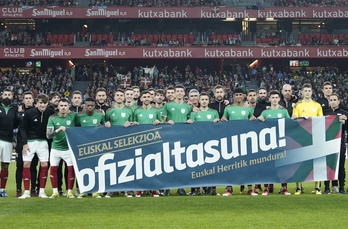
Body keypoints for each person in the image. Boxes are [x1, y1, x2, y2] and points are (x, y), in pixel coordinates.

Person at [18, 94, 55, 199]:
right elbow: (22, 128)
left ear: (47, 103)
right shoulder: (29, 113)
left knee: (44, 164)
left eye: (44, 103)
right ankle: (26, 192)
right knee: (26, 164)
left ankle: (42, 192)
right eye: (40, 103)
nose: (42, 105)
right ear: (36, 103)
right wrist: (25, 143)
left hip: (43, 142)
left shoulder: (51, 113)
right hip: (30, 142)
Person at [221, 87, 256, 196]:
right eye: (236, 95)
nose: (238, 96)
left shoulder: (249, 109)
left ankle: (250, 188)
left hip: (246, 141)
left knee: (248, 165)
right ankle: (229, 189)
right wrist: (223, 120)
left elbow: (253, 120)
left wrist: (253, 119)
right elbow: (223, 120)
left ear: (244, 96)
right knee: (230, 166)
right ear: (233, 96)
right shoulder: (228, 109)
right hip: (232, 141)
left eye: (240, 94)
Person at [291, 83, 323, 195]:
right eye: (305, 91)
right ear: (302, 92)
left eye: (309, 90)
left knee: (316, 162)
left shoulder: (317, 106)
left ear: (312, 92)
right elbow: (294, 119)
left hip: (314, 137)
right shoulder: (298, 106)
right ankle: (299, 187)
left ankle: (317, 187)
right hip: (301, 138)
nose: (307, 92)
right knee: (299, 162)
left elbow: (321, 121)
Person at [257, 90, 291, 195]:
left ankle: (284, 188)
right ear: (270, 99)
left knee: (282, 166)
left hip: (281, 142)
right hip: (268, 144)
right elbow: (258, 126)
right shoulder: (265, 112)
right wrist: (259, 119)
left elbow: (289, 125)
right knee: (268, 166)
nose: (275, 99)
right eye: (273, 97)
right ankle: (266, 188)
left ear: (279, 99)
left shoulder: (284, 111)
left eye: (276, 97)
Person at [162, 85, 192, 196]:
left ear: (184, 93)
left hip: (183, 138)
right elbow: (162, 121)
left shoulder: (188, 107)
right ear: (174, 93)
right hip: (170, 137)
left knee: (182, 164)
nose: (179, 93)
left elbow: (191, 119)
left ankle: (181, 187)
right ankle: (167, 188)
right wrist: (167, 123)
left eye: (181, 91)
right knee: (169, 163)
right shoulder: (168, 106)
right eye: (177, 91)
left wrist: (190, 121)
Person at [188, 92, 220, 195]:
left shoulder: (214, 112)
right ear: (199, 101)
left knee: (212, 167)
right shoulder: (194, 113)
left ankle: (212, 189)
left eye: (206, 99)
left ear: (209, 100)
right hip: (198, 143)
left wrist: (217, 121)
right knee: (198, 167)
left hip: (212, 143)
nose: (204, 101)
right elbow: (191, 126)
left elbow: (219, 127)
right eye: (202, 99)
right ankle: (197, 189)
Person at [133, 90, 162, 197]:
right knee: (139, 166)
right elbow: (132, 124)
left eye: (148, 97)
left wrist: (159, 123)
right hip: (140, 142)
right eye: (144, 97)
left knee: (153, 166)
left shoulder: (156, 111)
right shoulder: (136, 111)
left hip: (154, 142)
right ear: (141, 99)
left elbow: (162, 125)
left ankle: (153, 189)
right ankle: (139, 189)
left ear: (151, 99)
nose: (146, 98)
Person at [76, 97, 106, 198]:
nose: (89, 107)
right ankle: (83, 190)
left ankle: (96, 190)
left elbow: (105, 126)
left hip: (97, 146)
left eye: (92, 106)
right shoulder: (79, 116)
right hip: (83, 146)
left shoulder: (100, 115)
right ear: (84, 106)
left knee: (97, 168)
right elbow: (74, 129)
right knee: (83, 168)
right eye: (87, 105)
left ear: (95, 106)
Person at [46, 98, 77, 198]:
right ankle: (55, 192)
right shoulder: (52, 118)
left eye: (65, 106)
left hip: (68, 149)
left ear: (68, 107)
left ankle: (69, 192)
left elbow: (85, 116)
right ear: (58, 107)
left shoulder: (73, 116)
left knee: (70, 170)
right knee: (53, 169)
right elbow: (48, 135)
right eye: (61, 106)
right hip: (55, 149)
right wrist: (58, 130)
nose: (63, 108)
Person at [105, 89, 133, 197]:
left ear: (124, 97)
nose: (120, 97)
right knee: (113, 166)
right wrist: (106, 123)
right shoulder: (109, 111)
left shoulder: (130, 111)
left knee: (127, 165)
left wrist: (130, 123)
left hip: (127, 142)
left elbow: (135, 123)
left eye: (122, 95)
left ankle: (128, 189)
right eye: (118, 95)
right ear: (114, 97)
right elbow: (104, 124)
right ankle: (112, 189)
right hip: (113, 142)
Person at [323, 93, 348, 194]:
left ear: (338, 101)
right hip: (327, 143)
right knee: (327, 166)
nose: (333, 102)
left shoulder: (344, 113)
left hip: (340, 143)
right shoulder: (325, 113)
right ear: (329, 102)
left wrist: (345, 122)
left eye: (334, 100)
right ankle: (326, 188)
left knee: (341, 166)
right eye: (331, 100)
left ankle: (341, 187)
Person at [15, 91, 37, 197]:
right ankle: (18, 189)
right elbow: (14, 124)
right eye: (26, 98)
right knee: (19, 166)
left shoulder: (37, 111)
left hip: (33, 142)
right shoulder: (18, 112)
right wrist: (18, 114)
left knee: (33, 166)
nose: (28, 100)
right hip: (21, 143)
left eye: (30, 98)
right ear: (23, 100)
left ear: (33, 100)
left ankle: (33, 189)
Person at [277, 84, 297, 195]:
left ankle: (290, 186)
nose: (288, 92)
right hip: (278, 135)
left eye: (289, 90)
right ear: (282, 91)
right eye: (286, 90)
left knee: (288, 162)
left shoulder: (297, 103)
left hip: (291, 135)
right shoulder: (277, 103)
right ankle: (270, 186)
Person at [0, 88, 19, 197]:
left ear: (12, 97)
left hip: (8, 141)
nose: (7, 96)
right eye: (5, 94)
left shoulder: (15, 109)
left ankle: (2, 189)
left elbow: (17, 124)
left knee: (5, 166)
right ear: (2, 96)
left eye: (9, 95)